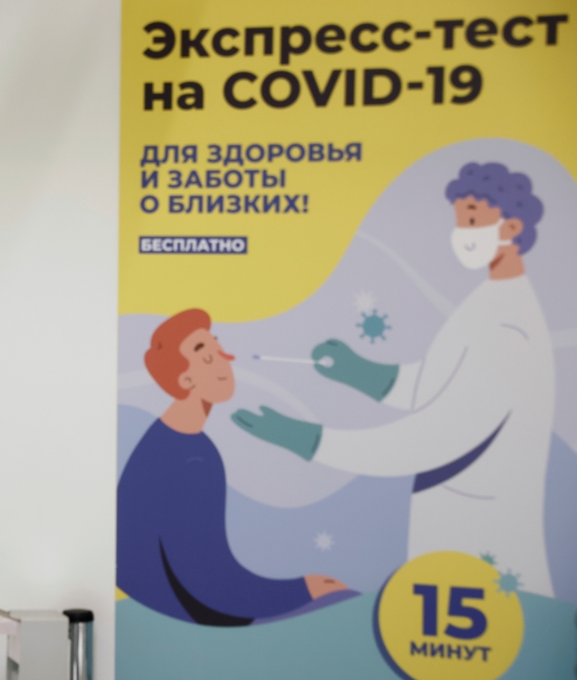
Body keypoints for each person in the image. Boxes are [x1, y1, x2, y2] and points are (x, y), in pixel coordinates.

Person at [232, 162, 555, 596]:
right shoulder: (492, 301)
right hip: (454, 519)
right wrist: (364, 374)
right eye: (459, 221)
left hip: (483, 535)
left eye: (473, 220)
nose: (461, 233)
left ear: (511, 225)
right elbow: (448, 386)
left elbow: (438, 434)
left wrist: (312, 440)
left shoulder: (508, 329)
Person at [118, 309, 347, 626]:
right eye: (207, 358)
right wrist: (303, 589)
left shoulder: (164, 441)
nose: (225, 362)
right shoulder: (193, 459)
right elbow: (211, 584)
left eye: (218, 349)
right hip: (195, 613)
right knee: (342, 602)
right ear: (185, 379)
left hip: (163, 605)